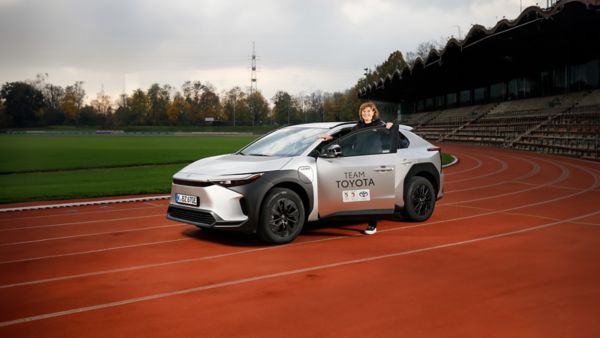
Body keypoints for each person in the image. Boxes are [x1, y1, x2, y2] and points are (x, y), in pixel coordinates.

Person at [321, 101, 393, 235]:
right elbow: (345, 138)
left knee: (371, 193)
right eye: (364, 111)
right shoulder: (358, 127)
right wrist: (331, 137)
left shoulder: (380, 125)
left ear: (373, 112)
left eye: (369, 111)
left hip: (374, 161)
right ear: (361, 113)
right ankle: (358, 215)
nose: (366, 113)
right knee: (361, 192)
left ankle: (372, 224)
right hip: (359, 161)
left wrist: (390, 127)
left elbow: (389, 137)